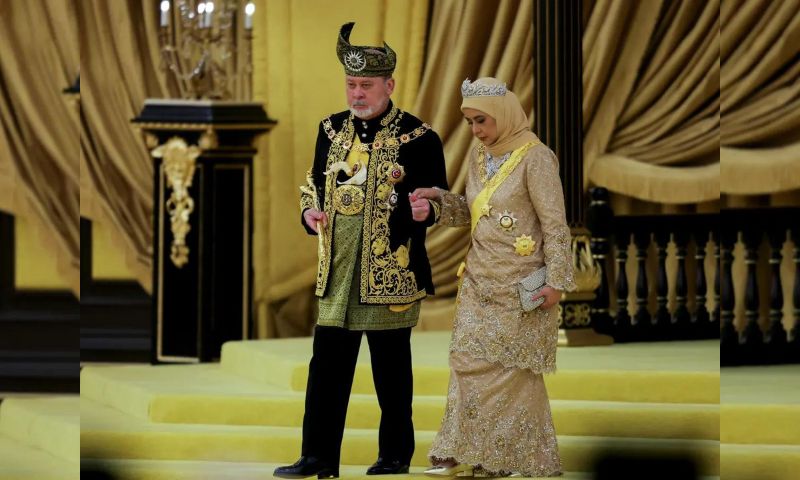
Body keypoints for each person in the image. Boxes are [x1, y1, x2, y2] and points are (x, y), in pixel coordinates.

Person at [273, 22, 448, 479]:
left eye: (366, 85)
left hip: (390, 272)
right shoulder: (329, 131)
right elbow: (312, 184)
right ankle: (317, 457)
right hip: (337, 272)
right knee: (326, 370)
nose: (357, 93)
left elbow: (441, 201)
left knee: (392, 375)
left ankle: (393, 457)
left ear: (389, 84)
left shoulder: (420, 137)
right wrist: (310, 213)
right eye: (351, 84)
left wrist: (425, 209)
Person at [411, 77, 576, 477]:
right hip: (478, 279)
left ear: (502, 115)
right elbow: (472, 212)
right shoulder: (479, 155)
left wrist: (557, 280)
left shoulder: (536, 158)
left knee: (511, 374)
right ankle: (466, 447)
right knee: (466, 363)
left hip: (521, 285)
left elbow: (555, 225)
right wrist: (439, 201)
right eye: (469, 122)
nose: (475, 130)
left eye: (481, 120)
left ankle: (502, 459)